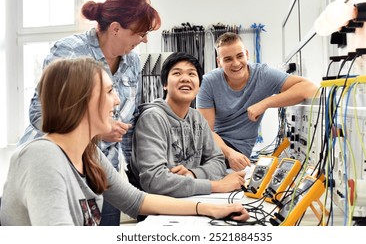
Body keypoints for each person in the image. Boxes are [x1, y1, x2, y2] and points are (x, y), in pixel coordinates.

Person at [0, 58, 249, 226]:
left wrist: (207, 208)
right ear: (79, 99)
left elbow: (137, 200)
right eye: (109, 92)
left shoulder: (89, 154)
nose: (118, 101)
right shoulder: (43, 157)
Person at [17, 0, 161, 225]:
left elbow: (128, 126)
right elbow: (39, 113)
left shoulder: (133, 61)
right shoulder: (71, 51)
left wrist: (137, 177)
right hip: (58, 167)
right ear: (115, 29)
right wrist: (94, 130)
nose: (144, 40)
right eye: (141, 33)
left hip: (103, 169)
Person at [128, 52, 246, 198]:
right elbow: (154, 180)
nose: (185, 79)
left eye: (192, 74)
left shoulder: (197, 118)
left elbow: (218, 161)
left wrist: (193, 174)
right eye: (177, 73)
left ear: (199, 85)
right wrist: (217, 186)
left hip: (194, 198)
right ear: (165, 84)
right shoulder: (152, 118)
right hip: (161, 208)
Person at [196, 32, 318, 172]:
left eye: (239, 56)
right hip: (215, 144)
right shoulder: (208, 82)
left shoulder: (262, 75)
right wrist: (229, 153)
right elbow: (206, 131)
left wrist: (264, 103)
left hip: (239, 149)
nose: (236, 63)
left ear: (247, 54)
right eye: (228, 59)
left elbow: (310, 88)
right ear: (219, 62)